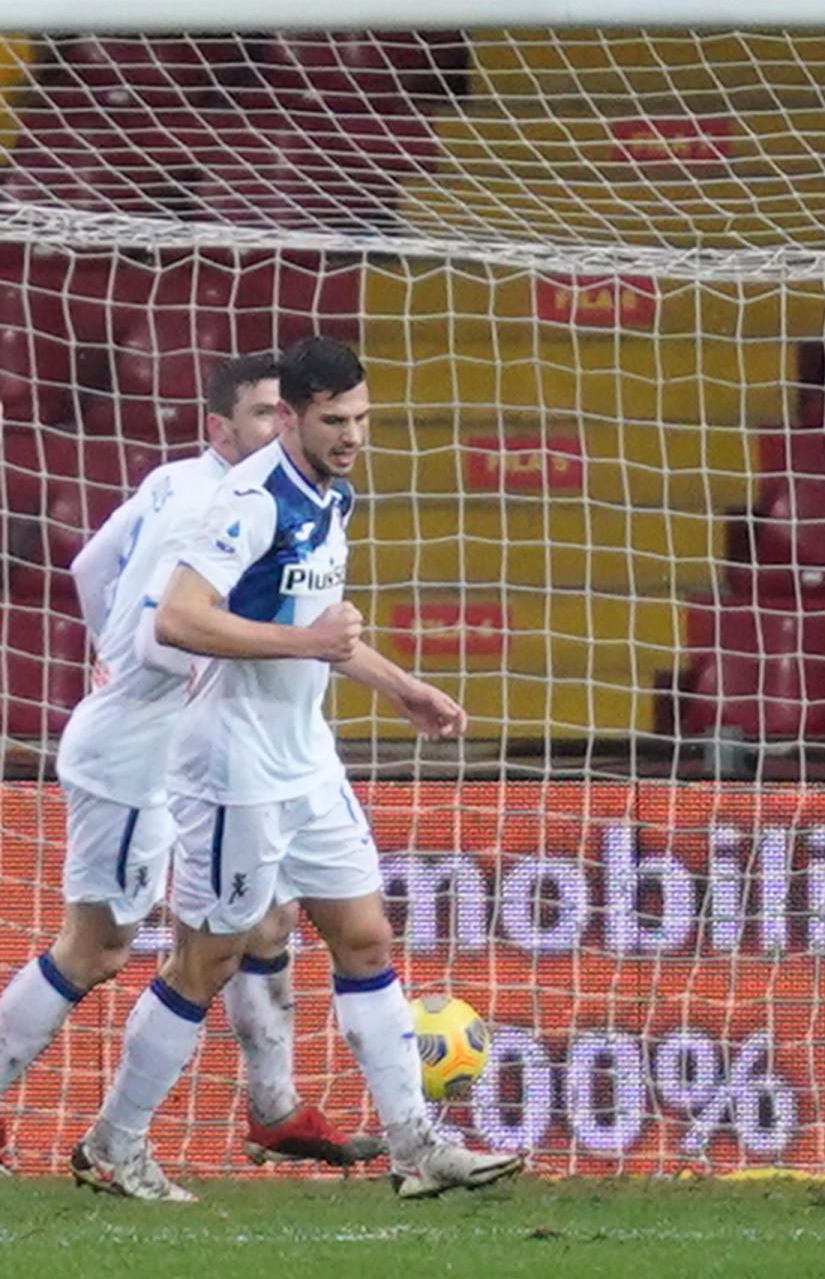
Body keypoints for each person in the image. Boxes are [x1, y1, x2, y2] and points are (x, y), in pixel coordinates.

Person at [68, 337, 518, 1204]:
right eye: (335, 421)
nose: (352, 436)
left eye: (362, 419)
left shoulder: (328, 495)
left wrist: (402, 686)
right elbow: (179, 622)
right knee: (209, 961)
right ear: (291, 417)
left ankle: (415, 1148)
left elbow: (319, 625)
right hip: (233, 768)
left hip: (305, 757)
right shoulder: (249, 502)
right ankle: (114, 1143)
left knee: (365, 938)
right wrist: (305, 643)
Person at [0, 354, 374, 1168]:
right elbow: (159, 631)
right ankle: (118, 1137)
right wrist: (149, 666)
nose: (283, 427)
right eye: (265, 415)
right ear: (222, 428)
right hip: (144, 750)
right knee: (96, 948)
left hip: (201, 750)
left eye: (288, 412)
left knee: (265, 919)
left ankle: (274, 1109)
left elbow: (88, 566)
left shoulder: (182, 482)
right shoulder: (211, 504)